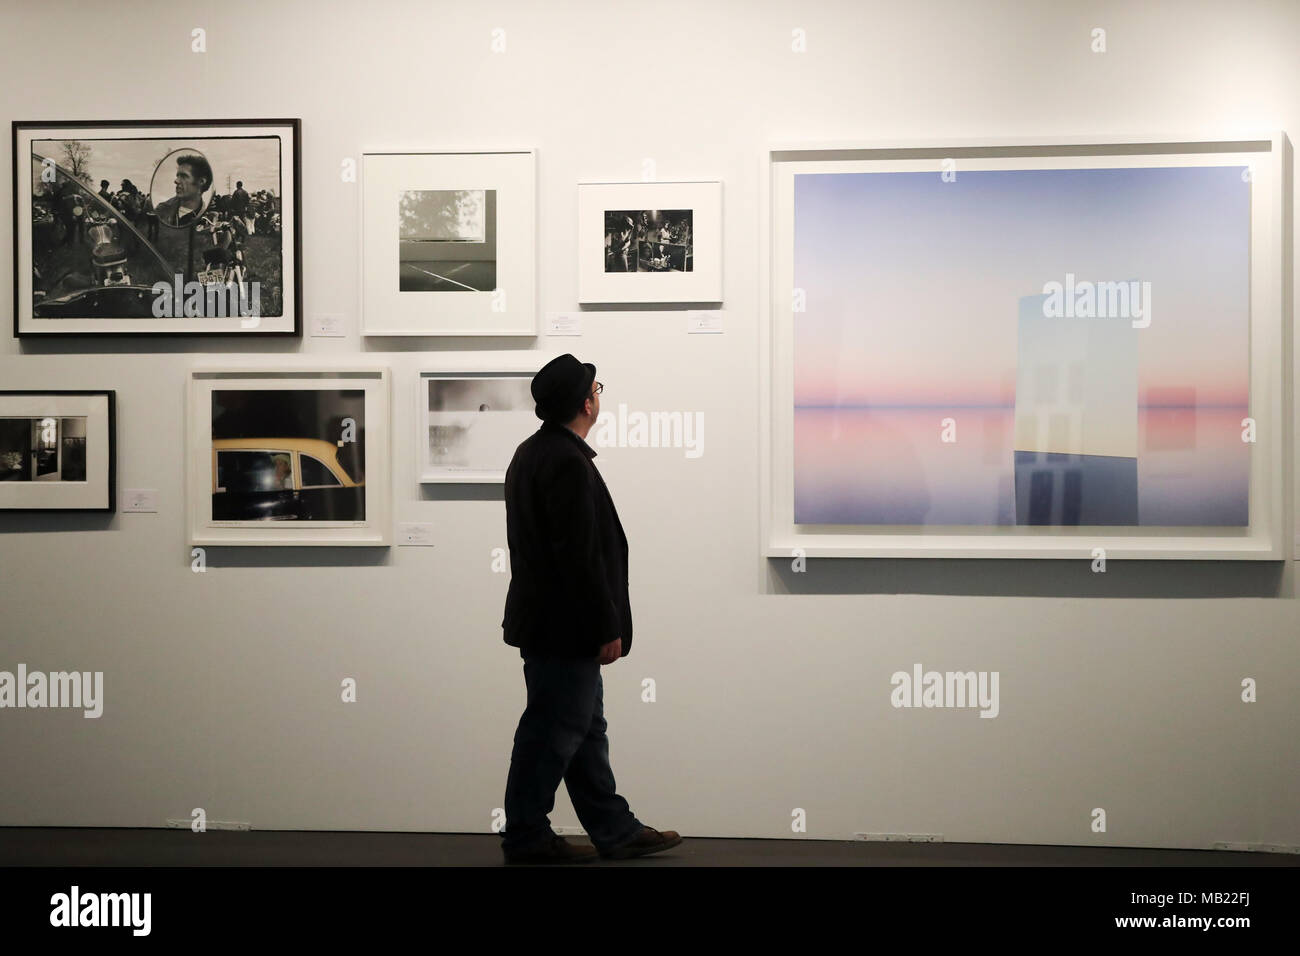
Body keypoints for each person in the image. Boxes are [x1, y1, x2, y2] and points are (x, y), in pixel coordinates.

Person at [498, 354, 680, 865]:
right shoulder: (564, 461)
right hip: (565, 627)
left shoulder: (534, 453)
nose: (599, 394)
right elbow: (578, 558)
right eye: (597, 387)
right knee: (552, 733)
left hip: (550, 623)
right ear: (586, 403)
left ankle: (614, 829)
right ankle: (526, 835)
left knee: (581, 731)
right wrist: (605, 626)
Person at [155, 153, 212, 227]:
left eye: (184, 176)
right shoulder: (161, 211)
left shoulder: (210, 221)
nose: (176, 181)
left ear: (201, 182)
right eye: (177, 176)